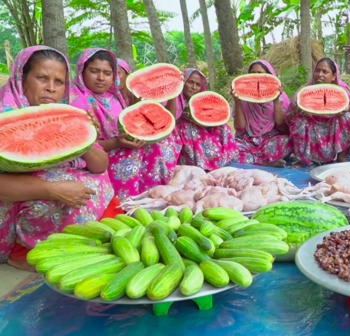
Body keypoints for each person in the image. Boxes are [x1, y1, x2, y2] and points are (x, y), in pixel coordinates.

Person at [0, 46, 114, 271]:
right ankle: (22, 252)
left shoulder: (67, 112)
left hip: (56, 194)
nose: (50, 89)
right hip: (12, 205)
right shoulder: (4, 116)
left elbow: (101, 166)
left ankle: (71, 243)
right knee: (51, 188)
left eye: (58, 82)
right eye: (42, 78)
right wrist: (53, 189)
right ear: (22, 78)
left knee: (97, 180)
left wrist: (83, 135)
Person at [70, 48, 181, 201]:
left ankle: (154, 194)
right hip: (95, 157)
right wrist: (116, 143)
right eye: (94, 71)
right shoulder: (74, 99)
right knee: (134, 154)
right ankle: (126, 201)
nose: (101, 78)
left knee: (159, 144)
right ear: (82, 71)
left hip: (121, 146)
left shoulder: (113, 96)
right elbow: (84, 146)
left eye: (107, 73)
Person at [287, 57, 350, 168]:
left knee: (346, 117)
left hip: (333, 127)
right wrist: (297, 111)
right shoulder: (304, 90)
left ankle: (341, 156)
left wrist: (348, 109)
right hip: (311, 128)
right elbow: (288, 117)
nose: (320, 74)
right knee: (299, 120)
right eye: (317, 70)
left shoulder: (342, 90)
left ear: (334, 76)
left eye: (325, 72)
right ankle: (303, 159)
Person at [174, 68, 238, 170]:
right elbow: (169, 125)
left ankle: (223, 160)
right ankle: (202, 165)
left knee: (223, 126)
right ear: (183, 82)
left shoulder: (203, 100)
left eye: (198, 84)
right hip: (181, 137)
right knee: (187, 126)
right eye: (190, 82)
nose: (194, 87)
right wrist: (181, 117)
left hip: (203, 134)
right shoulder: (174, 100)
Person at [232, 60, 292, 167]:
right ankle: (265, 162)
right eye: (253, 74)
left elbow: (282, 127)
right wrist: (238, 102)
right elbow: (240, 128)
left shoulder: (281, 97)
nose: (257, 79)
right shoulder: (242, 97)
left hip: (270, 141)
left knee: (289, 142)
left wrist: (275, 101)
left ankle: (253, 160)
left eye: (260, 74)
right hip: (247, 141)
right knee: (230, 149)